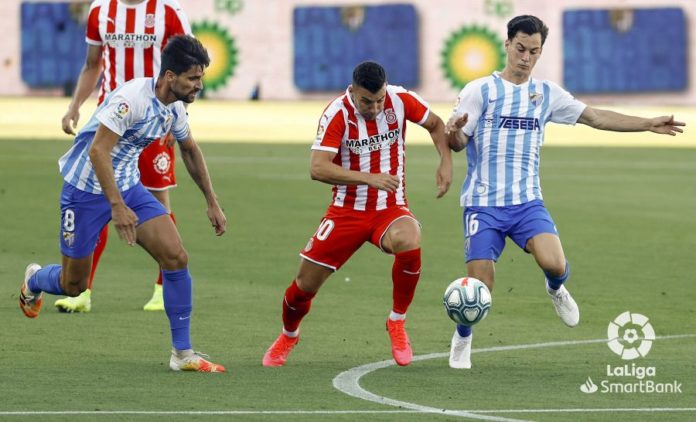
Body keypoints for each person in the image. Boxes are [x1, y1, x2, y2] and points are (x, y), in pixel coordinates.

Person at [444, 15, 685, 369]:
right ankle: (463, 340)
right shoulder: (480, 91)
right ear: (508, 44)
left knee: (555, 263)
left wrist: (647, 124)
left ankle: (556, 289)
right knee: (480, 286)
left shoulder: (545, 94)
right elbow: (458, 143)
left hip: (527, 202)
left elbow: (595, 117)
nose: (526, 58)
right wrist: (453, 131)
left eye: (534, 51)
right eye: (521, 49)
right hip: (483, 204)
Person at [19, 35, 227, 373]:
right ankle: (36, 279)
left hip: (128, 186)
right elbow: (98, 151)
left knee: (176, 256)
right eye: (193, 78)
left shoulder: (175, 107)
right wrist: (116, 207)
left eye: (200, 78)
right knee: (75, 285)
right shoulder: (131, 99)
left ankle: (182, 353)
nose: (199, 85)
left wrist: (212, 202)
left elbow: (189, 149)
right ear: (170, 76)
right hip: (84, 189)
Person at [262, 61, 453, 367]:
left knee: (410, 236)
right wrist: (368, 178)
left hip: (390, 209)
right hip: (345, 212)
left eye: (379, 100)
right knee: (302, 288)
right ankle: (288, 334)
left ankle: (397, 321)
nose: (375, 108)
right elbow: (317, 167)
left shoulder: (400, 100)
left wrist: (445, 161)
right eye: (367, 101)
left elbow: (436, 125)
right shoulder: (337, 113)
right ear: (352, 91)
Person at [57, 0, 192, 313]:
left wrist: (180, 113)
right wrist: (75, 105)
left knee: (158, 203)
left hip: (155, 121)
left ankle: (162, 287)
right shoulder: (100, 10)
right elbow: (93, 64)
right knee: (99, 198)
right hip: (112, 121)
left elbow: (190, 62)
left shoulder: (169, 11)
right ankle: (83, 291)